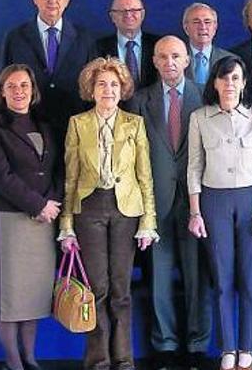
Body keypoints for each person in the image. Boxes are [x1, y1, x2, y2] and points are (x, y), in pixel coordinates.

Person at [59, 57, 158, 370]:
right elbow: (70, 178)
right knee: (96, 289)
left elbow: (145, 177)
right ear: (91, 88)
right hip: (89, 210)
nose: (108, 90)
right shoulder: (78, 123)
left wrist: (148, 222)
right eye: (102, 83)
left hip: (125, 211)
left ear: (123, 88)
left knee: (121, 290)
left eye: (114, 84)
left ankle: (124, 358)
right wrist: (67, 226)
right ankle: (98, 360)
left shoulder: (134, 123)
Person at [127, 36, 211, 370]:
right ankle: (164, 344)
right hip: (155, 203)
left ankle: (196, 344)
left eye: (176, 56)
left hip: (196, 203)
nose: (170, 62)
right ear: (155, 61)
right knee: (159, 279)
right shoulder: (139, 100)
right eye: (163, 57)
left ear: (188, 60)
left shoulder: (205, 95)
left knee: (196, 277)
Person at [187, 56, 252, 370]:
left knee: (250, 277)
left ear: (244, 82)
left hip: (251, 201)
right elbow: (194, 166)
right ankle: (227, 347)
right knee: (222, 280)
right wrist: (195, 212)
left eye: (235, 78)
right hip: (213, 201)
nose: (229, 84)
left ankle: (247, 345)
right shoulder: (199, 117)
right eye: (224, 79)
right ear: (214, 83)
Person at [0, 64, 62, 370]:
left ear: (33, 90)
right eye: (11, 86)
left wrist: (52, 201)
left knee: (33, 295)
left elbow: (55, 169)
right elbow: (1, 176)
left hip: (44, 218)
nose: (19, 91)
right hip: (10, 217)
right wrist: (37, 205)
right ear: (2, 91)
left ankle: (30, 358)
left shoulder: (45, 123)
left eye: (24, 85)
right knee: (10, 295)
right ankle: (13, 363)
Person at [1, 0, 94, 153]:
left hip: (73, 129)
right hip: (27, 128)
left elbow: (92, 89)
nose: (53, 0)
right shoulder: (15, 38)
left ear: (67, 1)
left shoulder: (85, 38)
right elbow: (2, 85)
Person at [95, 0, 160, 90]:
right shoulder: (96, 47)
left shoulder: (158, 45)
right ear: (112, 16)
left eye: (134, 10)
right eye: (122, 11)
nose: (128, 15)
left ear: (142, 15)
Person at [183, 2, 235, 85]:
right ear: (186, 28)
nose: (202, 27)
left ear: (215, 27)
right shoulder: (174, 59)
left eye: (207, 22)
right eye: (196, 22)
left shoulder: (230, 60)